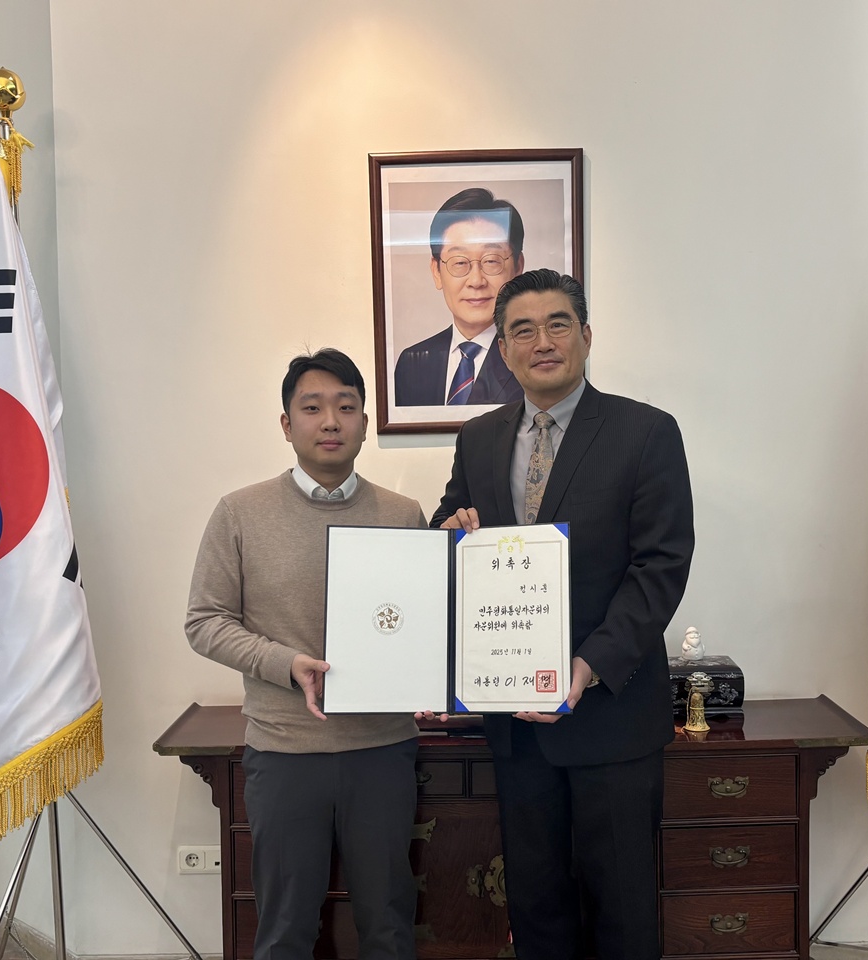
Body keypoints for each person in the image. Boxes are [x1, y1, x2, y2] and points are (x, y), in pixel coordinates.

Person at [431, 269, 694, 960]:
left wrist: (588, 666)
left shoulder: (646, 432)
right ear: (503, 349)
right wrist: (449, 531)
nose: (541, 342)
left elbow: (660, 567)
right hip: (516, 725)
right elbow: (453, 531)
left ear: (586, 335)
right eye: (522, 330)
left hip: (611, 717)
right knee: (537, 907)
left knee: (623, 912)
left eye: (557, 324)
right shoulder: (479, 439)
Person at [186, 348, 425, 960]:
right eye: (312, 408)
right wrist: (284, 664)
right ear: (286, 424)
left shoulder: (404, 515)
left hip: (382, 750)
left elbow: (419, 623)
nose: (331, 421)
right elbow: (205, 622)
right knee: (285, 930)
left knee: (389, 924)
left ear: (365, 423)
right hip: (285, 751)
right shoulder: (239, 512)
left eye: (346, 407)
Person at [393, 187, 526, 407]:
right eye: (460, 262)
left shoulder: (532, 360)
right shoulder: (412, 363)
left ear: (518, 268)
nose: (476, 281)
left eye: (491, 261)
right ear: (436, 271)